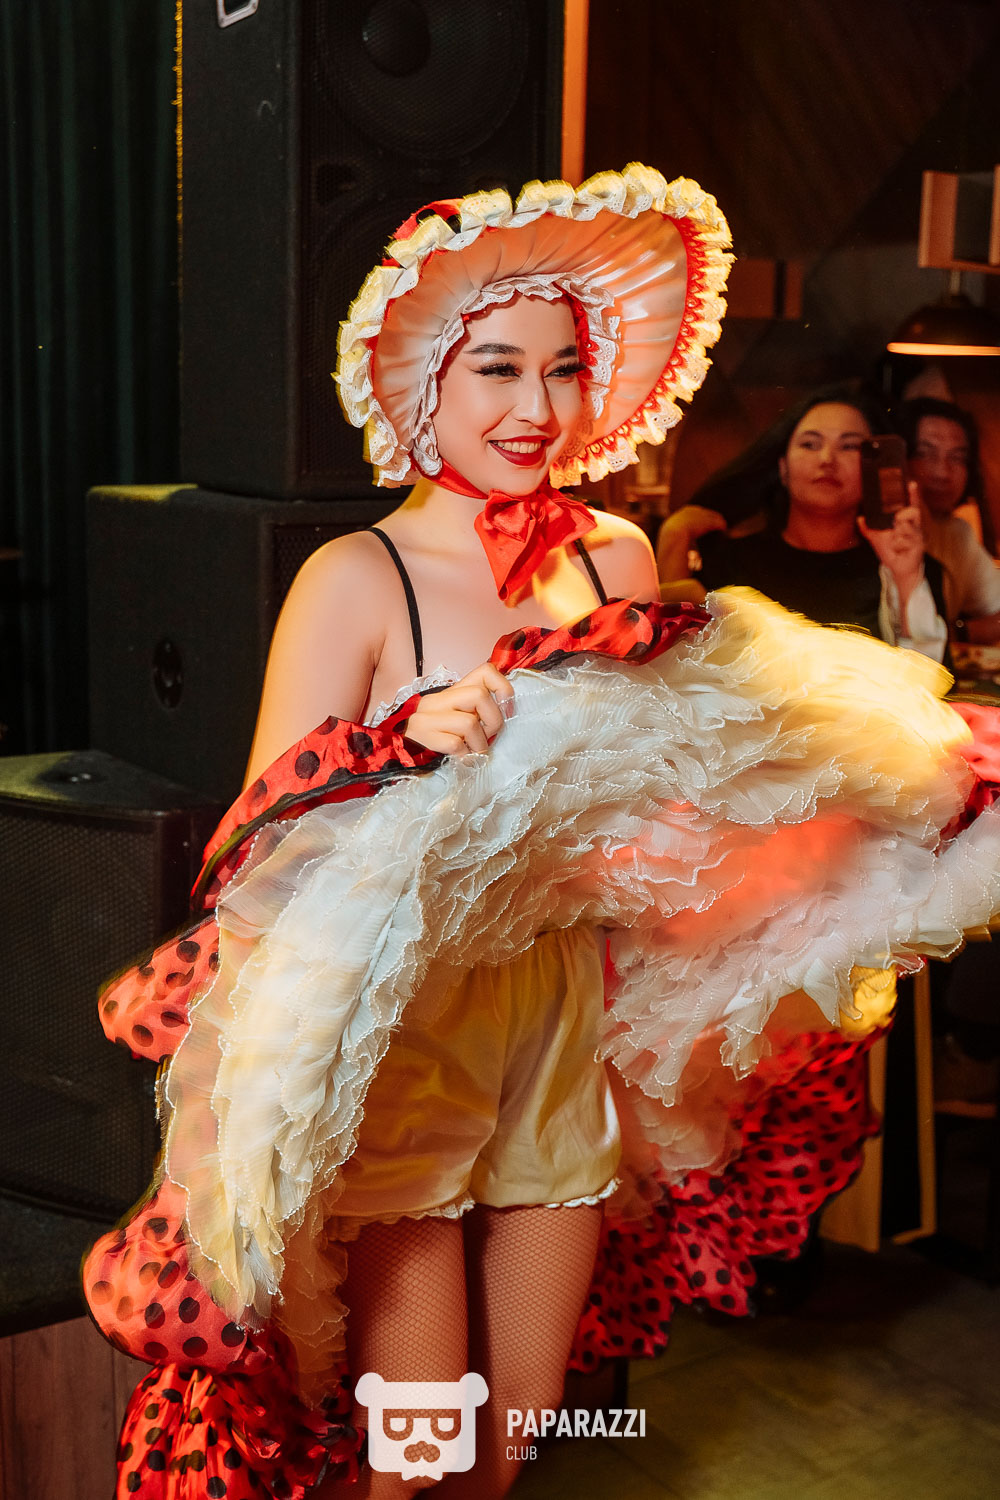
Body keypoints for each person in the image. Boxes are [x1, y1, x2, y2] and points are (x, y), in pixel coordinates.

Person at [83, 168, 1000, 1500]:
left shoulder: (614, 558)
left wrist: (881, 780)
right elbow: (251, 849)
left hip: (565, 1018)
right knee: (417, 1455)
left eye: (564, 370)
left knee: (509, 1449)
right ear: (422, 381)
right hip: (408, 1043)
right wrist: (399, 743)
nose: (537, 409)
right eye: (498, 368)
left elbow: (680, 768)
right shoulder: (357, 576)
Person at [657, 386, 948, 659]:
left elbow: (934, 680)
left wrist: (905, 577)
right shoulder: (730, 565)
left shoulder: (902, 568)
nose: (827, 459)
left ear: (872, 469)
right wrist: (674, 535)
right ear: (783, 468)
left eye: (849, 446)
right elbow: (673, 666)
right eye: (810, 444)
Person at [899, 396, 1000, 643]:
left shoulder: (956, 533)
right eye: (924, 454)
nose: (942, 473)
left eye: (956, 458)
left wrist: (959, 632)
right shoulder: (877, 534)